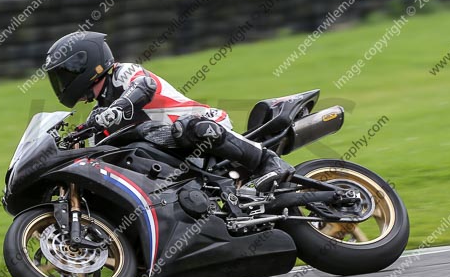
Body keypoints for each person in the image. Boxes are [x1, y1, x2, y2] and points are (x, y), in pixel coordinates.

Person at [43, 31, 294, 192]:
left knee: (186, 128)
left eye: (64, 74)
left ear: (86, 64)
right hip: (170, 153)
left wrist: (116, 109)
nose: (62, 83)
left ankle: (268, 161)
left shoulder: (124, 73)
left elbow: (144, 86)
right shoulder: (99, 114)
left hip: (200, 124)